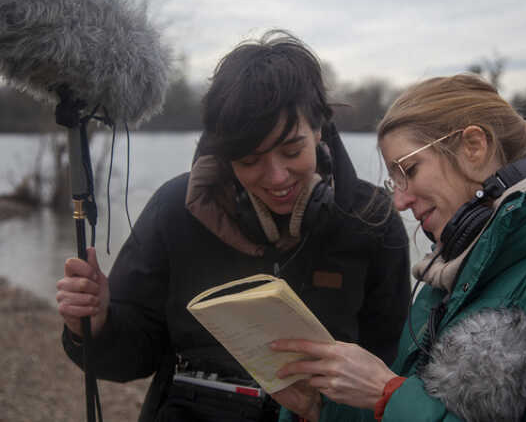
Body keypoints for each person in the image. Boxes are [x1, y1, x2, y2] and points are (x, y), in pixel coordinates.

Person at [56, 30, 411, 422]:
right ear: (225, 155)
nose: (276, 177)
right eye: (249, 160)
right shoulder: (174, 209)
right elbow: (128, 359)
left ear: (319, 130)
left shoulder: (373, 222)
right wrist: (95, 325)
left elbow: (390, 373)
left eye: (292, 150)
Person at [270, 73, 526, 421]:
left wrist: (387, 392)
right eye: (392, 181)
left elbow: (403, 403)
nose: (399, 202)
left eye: (409, 171)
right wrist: (321, 409)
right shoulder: (453, 276)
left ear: (474, 147)